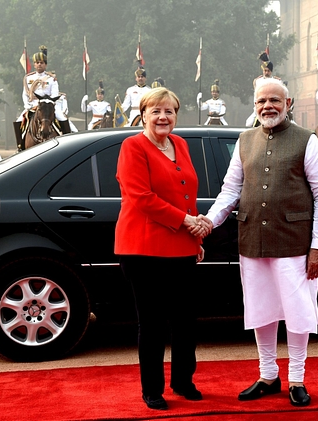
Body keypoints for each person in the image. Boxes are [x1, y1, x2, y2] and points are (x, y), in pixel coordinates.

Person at [195, 78, 318, 407]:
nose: (267, 106)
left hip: (295, 244)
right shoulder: (245, 141)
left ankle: (297, 379)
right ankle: (268, 376)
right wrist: (209, 222)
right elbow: (230, 191)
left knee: (298, 312)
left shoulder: (306, 140)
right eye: (261, 101)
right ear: (254, 106)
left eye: (274, 100)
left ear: (288, 104)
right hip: (253, 241)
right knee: (262, 310)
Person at [115, 87, 206, 411]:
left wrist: (193, 238)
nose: (163, 117)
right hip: (144, 249)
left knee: (185, 321)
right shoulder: (133, 146)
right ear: (143, 115)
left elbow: (186, 195)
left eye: (169, 111)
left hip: (180, 246)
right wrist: (188, 222)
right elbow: (142, 198)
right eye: (156, 111)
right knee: (152, 324)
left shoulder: (179, 144)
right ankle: (152, 390)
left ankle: (183, 381)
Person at [14, 46, 70, 150]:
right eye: (37, 62)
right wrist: (27, 105)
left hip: (48, 104)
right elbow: (25, 94)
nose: (39, 64)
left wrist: (47, 102)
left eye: (42, 62)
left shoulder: (51, 79)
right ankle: (20, 146)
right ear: (34, 64)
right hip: (33, 104)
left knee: (62, 117)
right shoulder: (28, 78)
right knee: (18, 121)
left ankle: (68, 144)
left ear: (45, 65)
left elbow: (54, 94)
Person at [245, 52, 281, 127]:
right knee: (248, 124)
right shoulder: (257, 81)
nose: (266, 72)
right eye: (265, 70)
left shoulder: (276, 81)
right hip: (259, 107)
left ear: (271, 71)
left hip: (273, 107)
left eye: (268, 71)